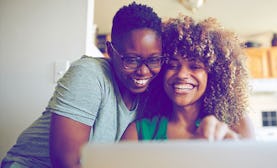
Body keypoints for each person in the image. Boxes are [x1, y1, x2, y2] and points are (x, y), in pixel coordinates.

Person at [1, 2, 164, 168]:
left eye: (153, 60)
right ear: (110, 49)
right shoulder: (89, 74)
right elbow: (67, 164)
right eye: (131, 59)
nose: (144, 71)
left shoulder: (149, 93)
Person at [121, 15, 255, 141]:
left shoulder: (237, 125)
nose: (181, 74)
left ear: (213, 75)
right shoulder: (138, 133)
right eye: (172, 65)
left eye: (195, 66)